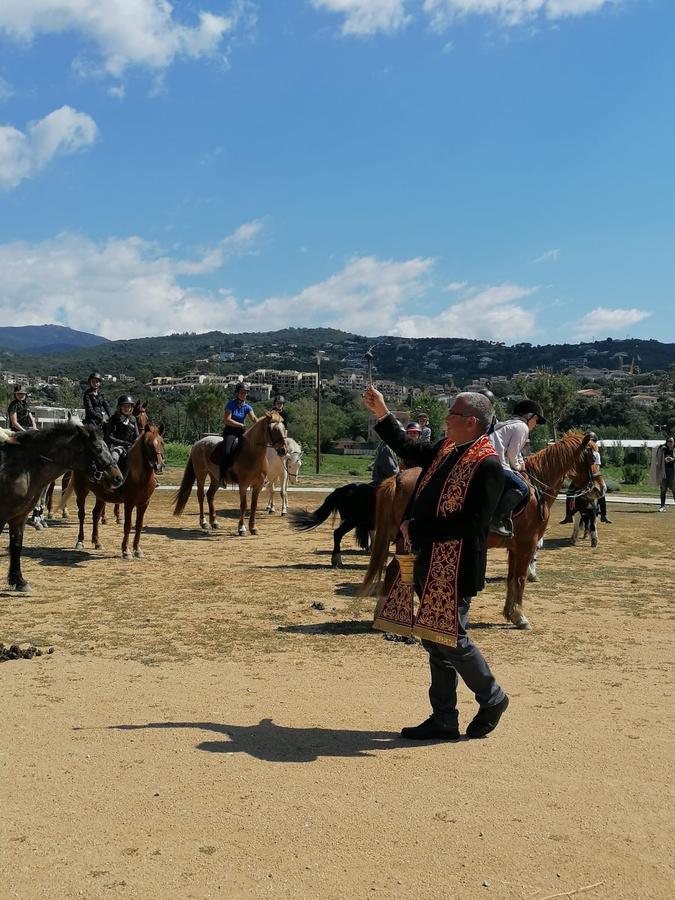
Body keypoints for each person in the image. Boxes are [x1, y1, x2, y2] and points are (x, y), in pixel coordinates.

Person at [364, 385, 508, 741]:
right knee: (433, 637)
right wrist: (382, 413)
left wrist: (419, 526)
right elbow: (408, 448)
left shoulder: (488, 464)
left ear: (471, 422)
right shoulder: (447, 449)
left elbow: (473, 523)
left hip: (456, 566)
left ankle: (493, 698)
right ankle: (444, 717)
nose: (445, 419)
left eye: (452, 414)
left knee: (452, 639)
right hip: (429, 559)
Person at [489, 399, 546, 537]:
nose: (536, 424)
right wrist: (519, 466)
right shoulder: (522, 427)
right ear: (530, 416)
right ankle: (496, 520)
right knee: (523, 487)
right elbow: (512, 454)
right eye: (536, 420)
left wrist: (519, 463)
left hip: (491, 459)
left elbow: (516, 452)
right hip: (496, 463)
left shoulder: (509, 424)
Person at [559, 431, 611, 524]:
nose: (591, 443)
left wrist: (594, 476)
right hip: (582, 476)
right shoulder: (582, 452)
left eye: (593, 441)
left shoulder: (596, 454)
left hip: (593, 476)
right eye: (589, 441)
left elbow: (597, 467)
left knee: (602, 493)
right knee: (570, 492)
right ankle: (568, 515)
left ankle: (603, 514)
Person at [220, 383, 258, 486]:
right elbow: (227, 420)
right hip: (230, 431)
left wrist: (262, 425)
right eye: (241, 392)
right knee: (227, 451)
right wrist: (240, 424)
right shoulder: (230, 404)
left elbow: (254, 419)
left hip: (241, 432)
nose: (244, 395)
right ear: (237, 393)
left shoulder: (247, 407)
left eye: (245, 393)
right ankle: (222, 477)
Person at [105, 395, 139, 470]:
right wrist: (124, 443)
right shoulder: (114, 419)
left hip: (131, 447)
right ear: (120, 407)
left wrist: (134, 444)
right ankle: (111, 479)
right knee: (114, 459)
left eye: (128, 406)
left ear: (131, 408)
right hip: (117, 447)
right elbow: (109, 437)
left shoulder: (133, 419)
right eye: (124, 406)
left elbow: (137, 435)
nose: (126, 408)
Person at [653, 436, 675, 511]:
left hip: (673, 471)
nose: (669, 443)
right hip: (664, 471)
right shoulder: (663, 450)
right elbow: (656, 450)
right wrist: (663, 460)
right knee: (663, 489)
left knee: (674, 489)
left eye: (671, 441)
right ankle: (662, 506)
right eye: (668, 441)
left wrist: (673, 459)